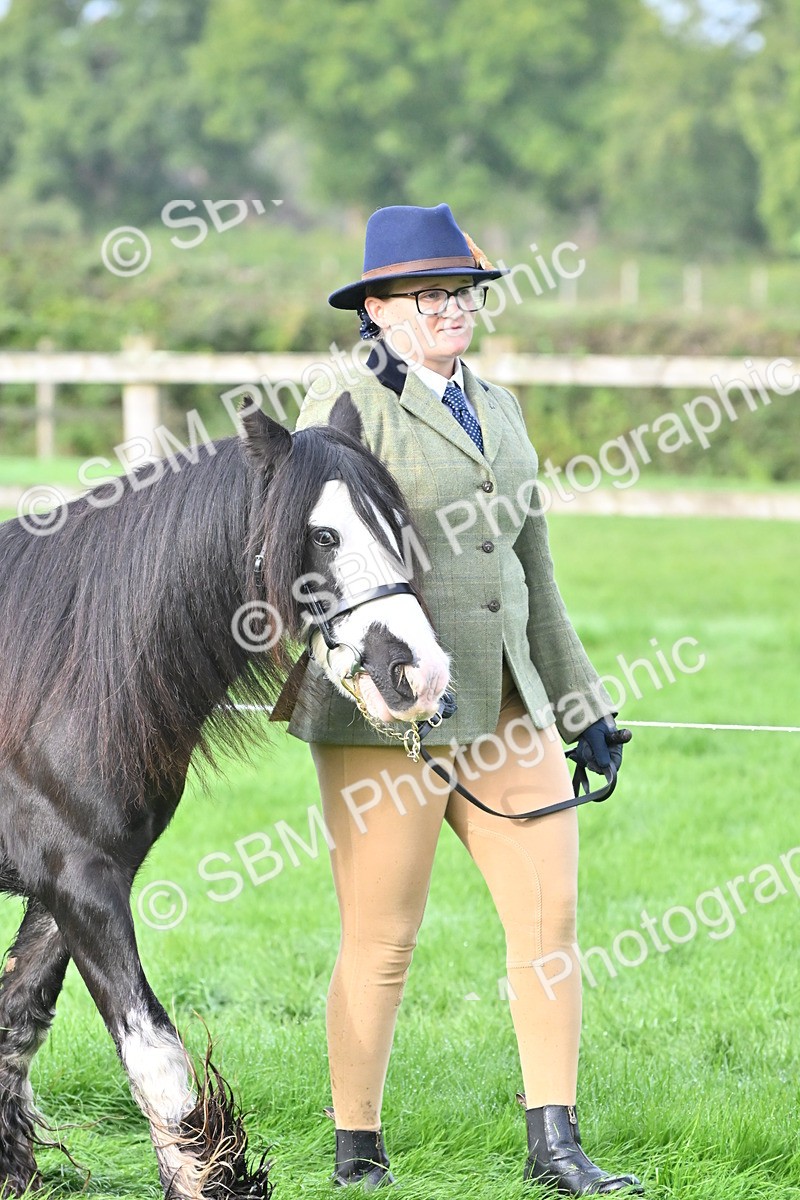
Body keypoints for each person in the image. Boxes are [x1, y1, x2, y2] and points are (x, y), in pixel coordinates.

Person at [285, 203, 643, 1195]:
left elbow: (534, 569)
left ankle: (554, 1145)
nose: (453, 307)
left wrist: (582, 706)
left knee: (549, 922)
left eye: (464, 292)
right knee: (382, 936)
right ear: (378, 308)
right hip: (385, 718)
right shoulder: (342, 401)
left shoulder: (499, 404)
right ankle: (358, 1152)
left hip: (509, 704)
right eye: (430, 294)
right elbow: (307, 559)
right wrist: (372, 677)